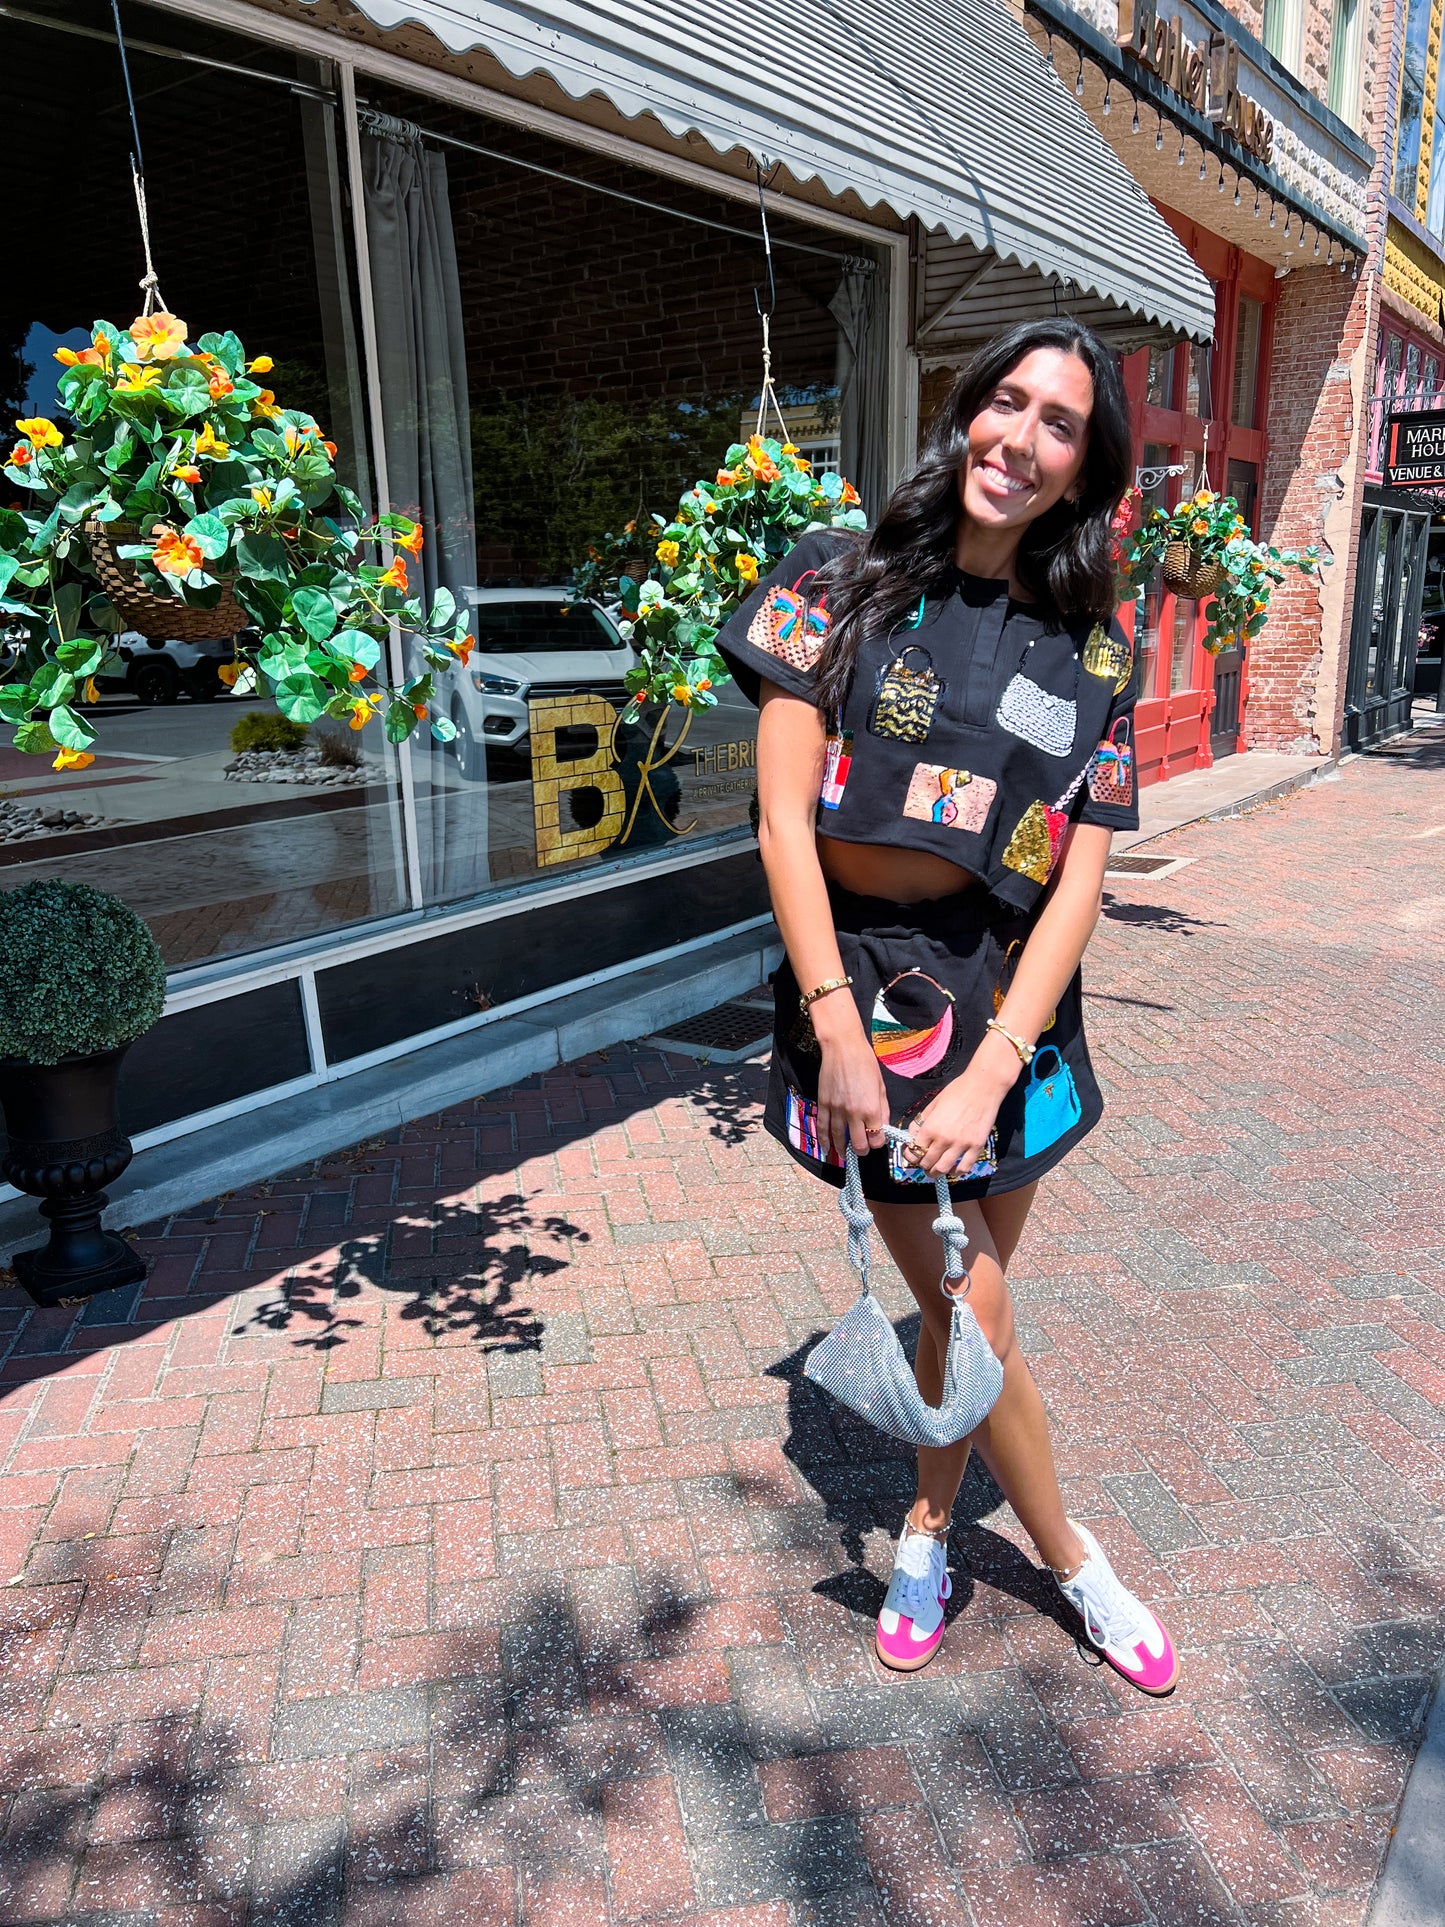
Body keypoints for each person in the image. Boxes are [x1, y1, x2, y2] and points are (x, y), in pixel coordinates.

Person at [715, 319, 1177, 1694]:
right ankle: (1075, 1562)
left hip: (1007, 1008)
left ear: (1081, 471)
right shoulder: (832, 579)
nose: (1018, 438)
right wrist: (834, 1025)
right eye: (1006, 403)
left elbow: (1080, 882)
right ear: (965, 413)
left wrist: (994, 1067)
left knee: (967, 1313)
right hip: (858, 992)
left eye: (1057, 424)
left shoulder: (1091, 648)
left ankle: (925, 1526)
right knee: (969, 1318)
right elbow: (781, 827)